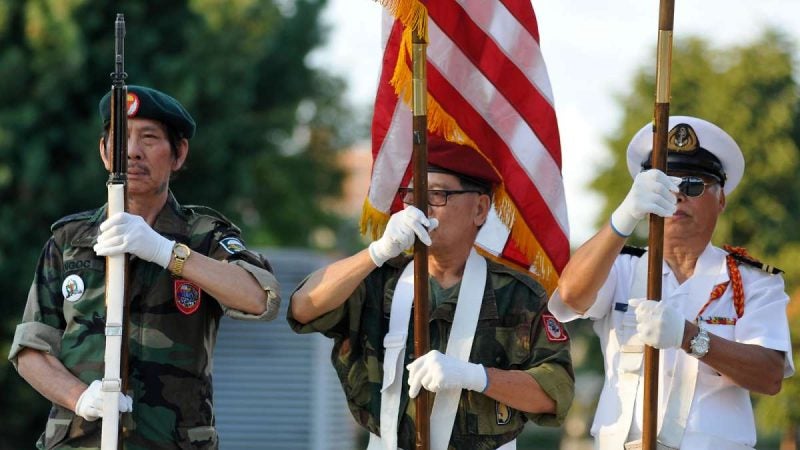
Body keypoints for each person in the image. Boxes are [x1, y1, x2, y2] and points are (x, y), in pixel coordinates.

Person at [8, 85, 281, 449]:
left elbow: (259, 298)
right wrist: (80, 399)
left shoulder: (204, 236)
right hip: (79, 441)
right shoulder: (69, 240)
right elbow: (30, 349)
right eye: (120, 139)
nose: (132, 152)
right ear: (105, 152)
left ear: (178, 154)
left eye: (149, 139)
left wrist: (167, 252)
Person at [288, 135, 574, 450]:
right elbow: (303, 307)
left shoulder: (518, 296)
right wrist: (377, 251)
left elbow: (554, 391)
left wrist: (478, 377)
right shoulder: (378, 279)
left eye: (436, 194)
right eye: (411, 195)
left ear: (479, 209)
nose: (419, 206)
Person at [549, 116, 795, 450]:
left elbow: (769, 375)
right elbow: (571, 296)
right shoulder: (622, 267)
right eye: (665, 186)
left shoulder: (752, 281)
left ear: (721, 199)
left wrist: (690, 337)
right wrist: (624, 215)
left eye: (693, 186)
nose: (678, 196)